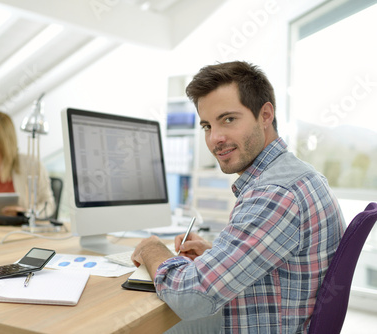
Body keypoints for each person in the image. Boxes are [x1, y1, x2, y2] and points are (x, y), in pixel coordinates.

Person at [131, 61, 345, 333]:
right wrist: (217, 255)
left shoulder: (275, 193)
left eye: (228, 119)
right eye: (207, 126)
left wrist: (152, 250)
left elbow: (189, 297)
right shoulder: (299, 175)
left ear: (265, 115)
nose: (215, 138)